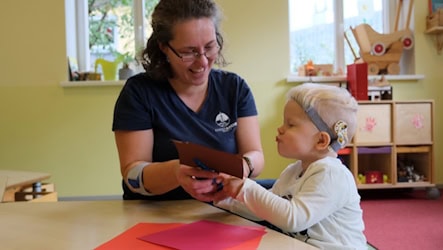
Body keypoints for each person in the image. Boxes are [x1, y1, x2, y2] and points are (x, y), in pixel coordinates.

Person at [112, 0, 265, 201]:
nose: (202, 61)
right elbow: (132, 174)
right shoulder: (139, 92)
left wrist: (245, 166)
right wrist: (176, 172)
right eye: (188, 52)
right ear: (164, 48)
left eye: (210, 47)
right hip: (155, 217)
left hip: (225, 211)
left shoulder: (234, 88)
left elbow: (255, 154)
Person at [213, 83, 367, 249]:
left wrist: (245, 188)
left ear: (321, 140)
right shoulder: (293, 172)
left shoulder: (332, 174)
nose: (280, 129)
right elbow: (266, 209)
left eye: (290, 124)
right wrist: (226, 198)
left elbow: (294, 219)